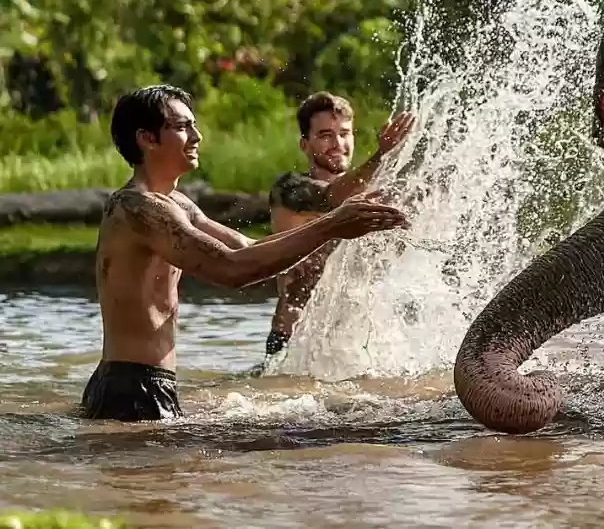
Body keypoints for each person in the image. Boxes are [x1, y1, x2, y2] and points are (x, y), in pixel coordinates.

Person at [87, 85, 408, 422]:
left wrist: (335, 224)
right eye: (182, 127)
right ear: (147, 139)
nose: (197, 136)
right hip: (132, 386)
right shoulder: (138, 208)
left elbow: (248, 248)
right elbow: (230, 269)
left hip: (146, 382)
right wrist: (332, 226)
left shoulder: (176, 203)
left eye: (193, 125)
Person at [262, 93, 414, 358]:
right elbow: (331, 197)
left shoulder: (369, 196)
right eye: (325, 135)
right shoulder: (289, 189)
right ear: (304, 144)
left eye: (344, 134)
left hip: (349, 343)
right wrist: (381, 154)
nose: (338, 144)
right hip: (294, 341)